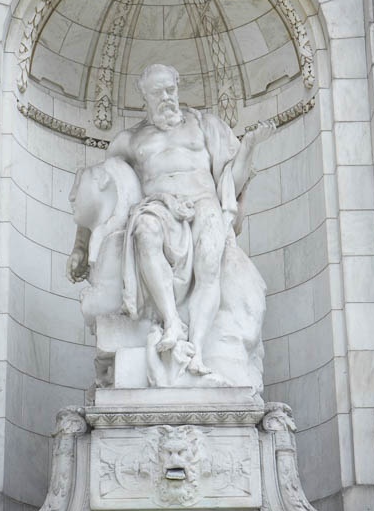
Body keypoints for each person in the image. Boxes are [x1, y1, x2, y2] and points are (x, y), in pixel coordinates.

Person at [67, 63, 276, 377]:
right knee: (144, 232)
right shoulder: (129, 141)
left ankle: (199, 349)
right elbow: (101, 194)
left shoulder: (205, 126)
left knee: (209, 259)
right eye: (158, 92)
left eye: (171, 90)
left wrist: (249, 147)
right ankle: (172, 324)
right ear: (145, 97)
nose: (167, 97)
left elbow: (232, 182)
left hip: (204, 204)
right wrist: (81, 247)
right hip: (157, 208)